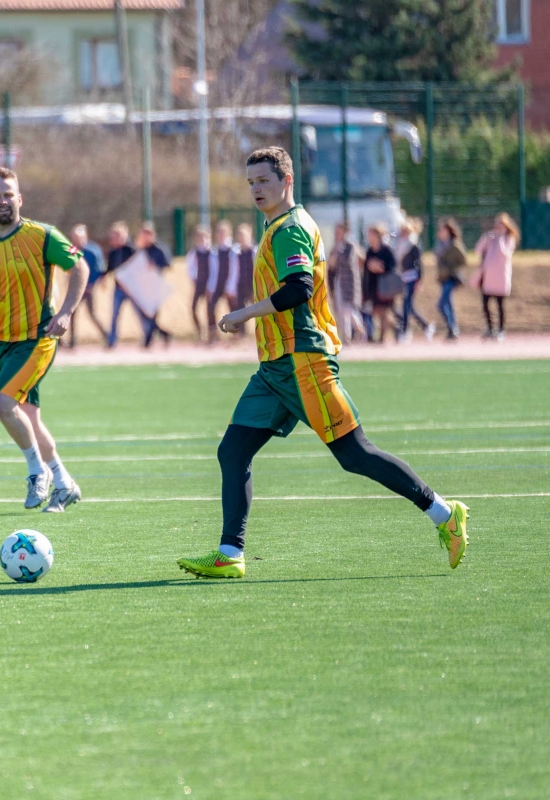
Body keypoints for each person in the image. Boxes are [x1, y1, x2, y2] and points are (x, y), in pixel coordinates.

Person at [176, 146, 469, 580]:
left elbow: (297, 288)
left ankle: (444, 514)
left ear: (286, 182)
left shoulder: (290, 228)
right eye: (252, 182)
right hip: (276, 368)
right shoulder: (275, 225)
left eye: (265, 181)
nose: (257, 189)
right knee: (233, 451)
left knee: (354, 454)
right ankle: (230, 553)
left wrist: (243, 313)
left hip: (304, 361)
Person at [0, 167, 87, 512]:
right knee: (28, 416)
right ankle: (64, 483)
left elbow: (80, 268)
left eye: (8, 194)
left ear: (20, 198)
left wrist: (66, 313)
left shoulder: (43, 236)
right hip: (2, 343)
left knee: (2, 404)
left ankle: (37, 472)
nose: (3, 201)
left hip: (38, 337)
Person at [473, 213, 519, 341]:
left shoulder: (509, 239)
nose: (497, 227)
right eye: (496, 224)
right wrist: (485, 238)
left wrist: (499, 239)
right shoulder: (491, 238)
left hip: (501, 276)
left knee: (500, 305)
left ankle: (501, 330)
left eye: (501, 225)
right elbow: (477, 249)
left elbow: (504, 254)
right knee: (485, 303)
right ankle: (490, 328)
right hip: (488, 277)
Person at [67, 224, 108, 347]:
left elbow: (100, 270)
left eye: (78, 237)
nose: (76, 239)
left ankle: (107, 336)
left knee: (92, 313)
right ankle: (72, 342)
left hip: (89, 288)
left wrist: (92, 285)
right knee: (71, 313)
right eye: (74, 237)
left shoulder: (93, 250)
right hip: (76, 288)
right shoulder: (72, 250)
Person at [395, 217, 435, 343]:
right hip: (403, 277)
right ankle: (426, 326)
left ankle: (405, 331)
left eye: (406, 231)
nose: (404, 233)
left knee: (406, 303)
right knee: (409, 306)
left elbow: (419, 264)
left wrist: (419, 280)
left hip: (412, 277)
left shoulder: (413, 245)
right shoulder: (400, 244)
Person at [135, 221, 174, 347]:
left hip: (156, 286)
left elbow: (168, 265)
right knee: (147, 314)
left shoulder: (159, 249)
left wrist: (155, 266)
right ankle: (163, 334)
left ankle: (148, 341)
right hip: (144, 286)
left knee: (152, 314)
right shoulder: (141, 250)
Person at [327, 221, 364, 343]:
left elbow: (346, 260)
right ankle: (346, 338)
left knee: (348, 310)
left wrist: (338, 252)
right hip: (338, 282)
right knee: (341, 310)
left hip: (349, 281)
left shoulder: (350, 246)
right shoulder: (335, 246)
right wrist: (336, 251)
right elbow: (331, 264)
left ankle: (360, 331)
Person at [435, 217, 468, 340]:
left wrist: (452, 267)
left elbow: (463, 260)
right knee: (448, 303)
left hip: (451, 277)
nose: (440, 233)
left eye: (443, 230)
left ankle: (452, 327)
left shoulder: (454, 244)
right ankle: (453, 329)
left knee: (441, 304)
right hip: (443, 278)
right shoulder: (440, 245)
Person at [363, 223, 396, 343]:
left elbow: (392, 266)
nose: (369, 237)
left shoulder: (386, 250)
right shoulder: (370, 251)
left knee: (383, 311)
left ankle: (383, 336)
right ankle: (396, 328)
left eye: (371, 234)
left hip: (385, 285)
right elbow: (366, 267)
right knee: (376, 310)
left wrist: (380, 267)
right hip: (374, 285)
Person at [208, 220, 239, 334]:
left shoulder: (234, 251)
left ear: (228, 234)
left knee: (233, 310)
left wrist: (231, 288)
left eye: (223, 233)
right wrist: (211, 288)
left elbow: (234, 271)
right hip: (218, 284)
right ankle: (213, 333)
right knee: (211, 307)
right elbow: (213, 272)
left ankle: (235, 333)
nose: (221, 235)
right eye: (219, 233)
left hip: (230, 284)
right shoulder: (214, 252)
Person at [186, 225, 215, 343]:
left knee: (210, 310)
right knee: (193, 308)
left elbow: (214, 270)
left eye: (205, 237)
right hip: (199, 284)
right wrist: (194, 280)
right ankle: (200, 332)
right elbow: (190, 269)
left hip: (209, 285)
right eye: (200, 238)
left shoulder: (212, 253)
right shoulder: (194, 253)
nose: (202, 240)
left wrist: (211, 287)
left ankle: (212, 333)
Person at [230, 223, 257, 337]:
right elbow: (233, 272)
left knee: (258, 310)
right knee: (240, 310)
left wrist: (256, 288)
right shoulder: (235, 253)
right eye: (240, 236)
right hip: (240, 285)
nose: (242, 238)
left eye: (244, 235)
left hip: (252, 286)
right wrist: (231, 287)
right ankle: (242, 335)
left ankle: (262, 332)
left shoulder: (255, 251)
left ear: (250, 235)